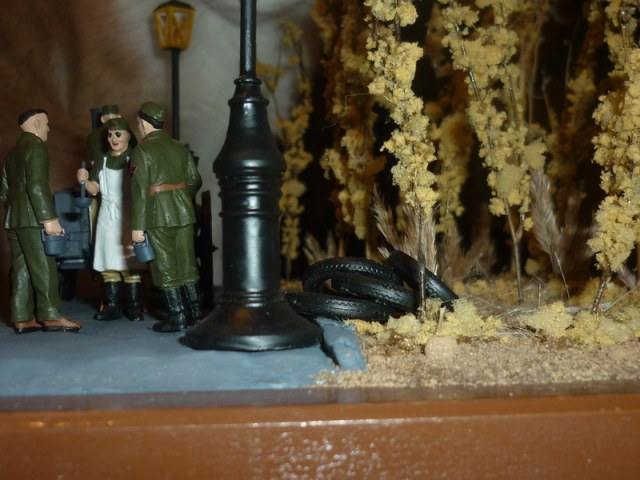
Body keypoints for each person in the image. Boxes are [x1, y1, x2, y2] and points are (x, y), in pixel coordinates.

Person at [0, 109, 81, 333]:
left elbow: (4, 191)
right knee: (45, 266)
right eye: (46, 123)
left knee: (21, 268)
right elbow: (37, 186)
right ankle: (50, 314)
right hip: (33, 218)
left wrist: (16, 212)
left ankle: (22, 316)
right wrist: (48, 218)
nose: (48, 128)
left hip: (14, 220)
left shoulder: (12, 153)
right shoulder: (36, 147)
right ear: (36, 123)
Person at [130, 102, 202, 332]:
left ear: (143, 123)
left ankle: (177, 315)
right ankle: (195, 313)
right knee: (187, 263)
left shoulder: (141, 151)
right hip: (184, 213)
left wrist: (137, 227)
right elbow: (194, 180)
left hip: (157, 215)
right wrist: (180, 197)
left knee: (165, 266)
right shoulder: (179, 148)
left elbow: (140, 192)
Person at [77, 117, 146, 322]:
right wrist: (84, 181)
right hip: (107, 215)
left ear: (128, 136)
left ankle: (134, 306)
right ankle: (112, 306)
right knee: (108, 260)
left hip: (129, 213)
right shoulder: (103, 161)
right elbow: (94, 189)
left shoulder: (135, 158)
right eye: (109, 135)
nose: (113, 139)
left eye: (118, 134)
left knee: (131, 261)